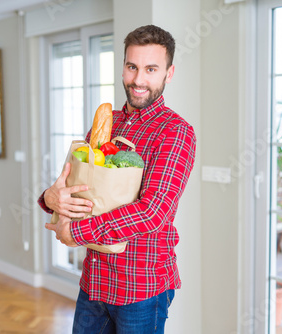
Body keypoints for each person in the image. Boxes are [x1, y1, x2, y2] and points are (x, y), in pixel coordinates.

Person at [38, 24, 196, 333]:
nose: (138, 80)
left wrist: (77, 232)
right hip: (94, 281)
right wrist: (49, 198)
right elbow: (74, 187)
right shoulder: (106, 125)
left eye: (151, 69)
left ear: (169, 72)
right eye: (132, 67)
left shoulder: (175, 132)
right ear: (122, 67)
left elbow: (153, 212)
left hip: (141, 288)